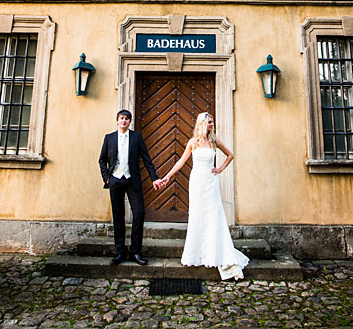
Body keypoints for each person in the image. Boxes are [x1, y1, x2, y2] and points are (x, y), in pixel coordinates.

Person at [154, 112, 249, 280]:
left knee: (213, 215)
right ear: (202, 123)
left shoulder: (214, 141)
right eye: (210, 122)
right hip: (197, 182)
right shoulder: (193, 142)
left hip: (210, 182)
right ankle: (198, 253)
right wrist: (167, 177)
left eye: (212, 122)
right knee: (198, 216)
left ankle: (214, 252)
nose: (212, 124)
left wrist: (220, 169)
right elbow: (181, 162)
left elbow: (230, 155)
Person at [98, 109, 160, 266]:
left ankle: (135, 252)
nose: (124, 121)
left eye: (127, 119)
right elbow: (102, 160)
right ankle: (120, 252)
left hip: (132, 180)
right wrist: (107, 179)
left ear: (130, 122)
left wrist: (154, 178)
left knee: (139, 213)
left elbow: (146, 159)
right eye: (121, 118)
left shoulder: (136, 137)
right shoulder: (109, 138)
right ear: (117, 121)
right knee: (118, 217)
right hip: (115, 180)